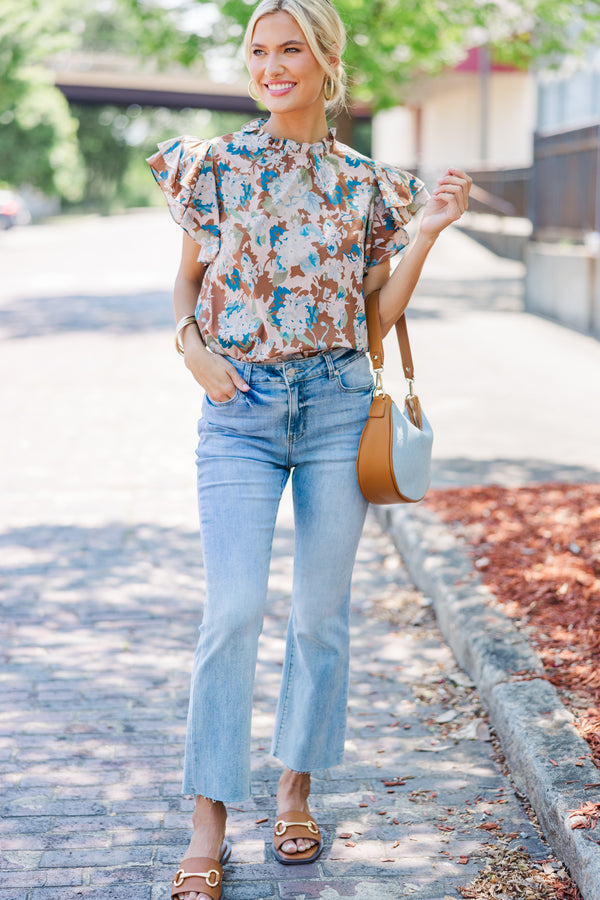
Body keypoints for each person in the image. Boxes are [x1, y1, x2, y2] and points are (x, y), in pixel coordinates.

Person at [147, 1, 471, 897]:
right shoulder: (210, 166)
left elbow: (377, 315)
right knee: (235, 610)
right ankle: (208, 813)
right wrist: (194, 351)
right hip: (239, 409)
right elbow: (185, 279)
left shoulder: (370, 184)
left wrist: (431, 232)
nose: (272, 64)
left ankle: (294, 790)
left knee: (321, 618)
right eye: (259, 50)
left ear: (327, 60)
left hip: (335, 409)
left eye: (291, 49)